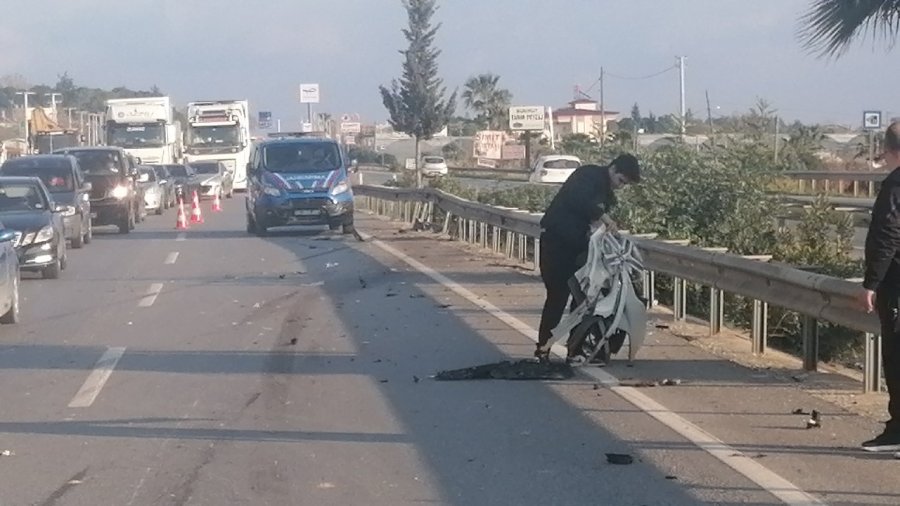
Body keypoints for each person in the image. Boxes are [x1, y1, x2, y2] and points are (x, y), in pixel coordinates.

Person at [535, 153, 641, 361]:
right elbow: (580, 200)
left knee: (583, 299)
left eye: (625, 184)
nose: (620, 186)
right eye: (620, 181)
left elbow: (598, 221)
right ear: (613, 168)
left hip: (579, 249)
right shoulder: (588, 175)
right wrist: (603, 217)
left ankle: (574, 349)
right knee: (557, 297)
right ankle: (543, 348)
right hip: (556, 244)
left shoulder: (608, 195)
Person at [859, 121, 900, 452]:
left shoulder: (895, 186)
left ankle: (898, 431)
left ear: (890, 152)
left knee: (897, 358)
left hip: (897, 285)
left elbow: (887, 236)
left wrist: (871, 283)